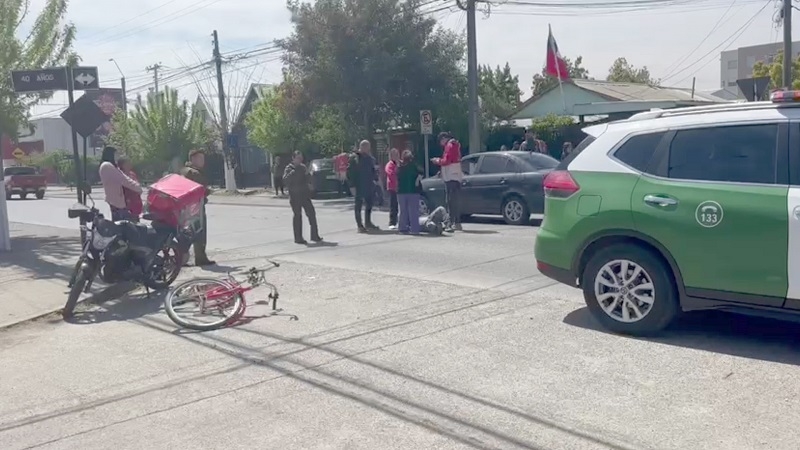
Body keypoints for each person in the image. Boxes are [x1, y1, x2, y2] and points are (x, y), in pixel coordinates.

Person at [180, 149, 215, 267]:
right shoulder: (195, 173)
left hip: (185, 206)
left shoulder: (183, 170)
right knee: (198, 232)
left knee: (188, 232)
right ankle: (200, 258)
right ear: (193, 159)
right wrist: (208, 191)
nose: (203, 161)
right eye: (200, 158)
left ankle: (181, 257)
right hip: (196, 206)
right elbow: (200, 190)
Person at [283, 151, 322, 244]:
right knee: (297, 216)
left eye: (301, 158)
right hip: (294, 195)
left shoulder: (303, 167)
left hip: (304, 195)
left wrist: (310, 181)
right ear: (293, 158)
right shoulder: (289, 168)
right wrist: (294, 171)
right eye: (298, 158)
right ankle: (298, 238)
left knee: (311, 214)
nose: (300, 160)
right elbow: (285, 180)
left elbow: (308, 177)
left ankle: (314, 235)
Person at [98, 146, 142, 222]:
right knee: (123, 225)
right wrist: (137, 187)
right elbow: (123, 179)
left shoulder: (110, 166)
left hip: (116, 201)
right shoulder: (107, 166)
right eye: (115, 154)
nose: (117, 157)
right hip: (116, 201)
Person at [431, 131, 463, 232]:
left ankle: (451, 223)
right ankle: (456, 222)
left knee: (450, 201)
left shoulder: (449, 145)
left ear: (444, 138)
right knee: (454, 200)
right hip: (456, 176)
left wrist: (437, 161)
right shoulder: (455, 145)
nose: (440, 144)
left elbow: (446, 161)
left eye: (440, 141)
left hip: (450, 177)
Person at [346, 140, 379, 233]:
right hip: (358, 185)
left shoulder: (369, 158)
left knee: (369, 204)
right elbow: (349, 173)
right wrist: (352, 186)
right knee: (358, 206)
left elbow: (373, 170)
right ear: (363, 147)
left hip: (369, 185)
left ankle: (368, 223)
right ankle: (360, 226)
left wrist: (375, 180)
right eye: (367, 147)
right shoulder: (354, 158)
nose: (369, 149)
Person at [396, 149, 422, 235]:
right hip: (413, 191)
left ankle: (403, 228)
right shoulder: (414, 166)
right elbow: (421, 172)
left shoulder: (399, 166)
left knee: (403, 211)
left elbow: (397, 177)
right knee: (414, 211)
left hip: (401, 191)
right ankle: (415, 229)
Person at [117, 156, 143, 222]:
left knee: (136, 221)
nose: (130, 164)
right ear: (122, 165)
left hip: (136, 202)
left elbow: (136, 184)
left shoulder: (132, 174)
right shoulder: (120, 174)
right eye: (127, 163)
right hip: (127, 203)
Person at [384, 148, 400, 230]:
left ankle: (399, 221)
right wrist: (397, 168)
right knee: (393, 205)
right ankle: (392, 222)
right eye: (394, 155)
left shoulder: (399, 163)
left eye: (397, 154)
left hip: (399, 187)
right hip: (392, 187)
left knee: (399, 206)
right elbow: (391, 174)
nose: (396, 156)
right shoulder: (389, 164)